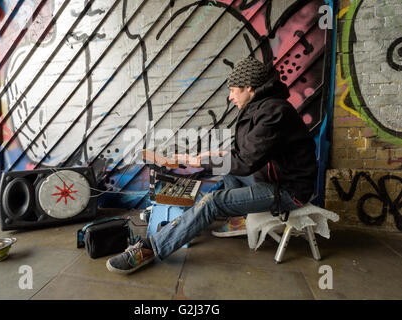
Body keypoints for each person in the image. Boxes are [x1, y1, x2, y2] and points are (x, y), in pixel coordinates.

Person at [106, 56, 318, 274]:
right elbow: (243, 154)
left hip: (288, 190)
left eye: (233, 90)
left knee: (212, 202)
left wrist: (202, 160)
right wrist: (199, 158)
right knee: (223, 174)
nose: (230, 96)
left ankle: (151, 248)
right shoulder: (259, 108)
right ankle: (205, 222)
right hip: (269, 177)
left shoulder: (274, 112)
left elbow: (244, 162)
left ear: (249, 88)